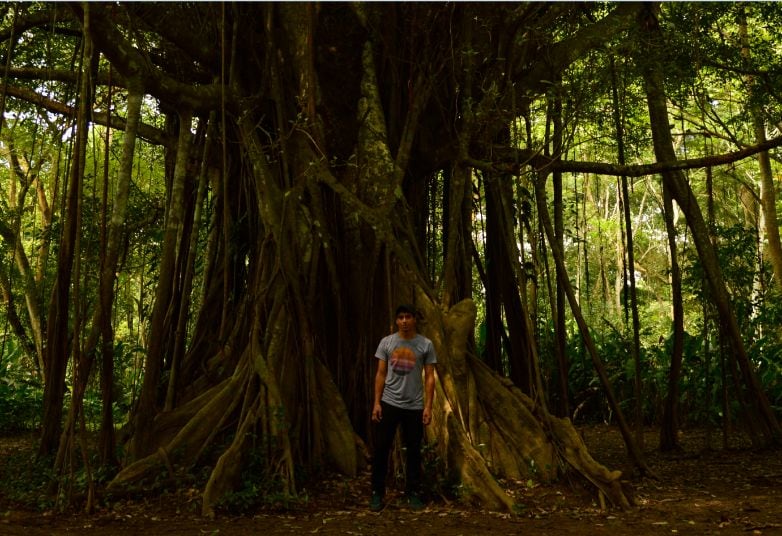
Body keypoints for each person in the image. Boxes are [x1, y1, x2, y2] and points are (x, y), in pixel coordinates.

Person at [370, 304, 437, 511]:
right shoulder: (387, 342)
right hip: (389, 403)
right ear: (396, 321)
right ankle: (377, 493)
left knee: (414, 451)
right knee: (381, 448)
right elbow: (381, 374)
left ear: (415, 319)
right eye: (401, 317)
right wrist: (376, 403)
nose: (405, 321)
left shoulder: (425, 344)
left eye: (408, 317)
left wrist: (428, 407)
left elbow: (430, 379)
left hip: (414, 406)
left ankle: (413, 493)